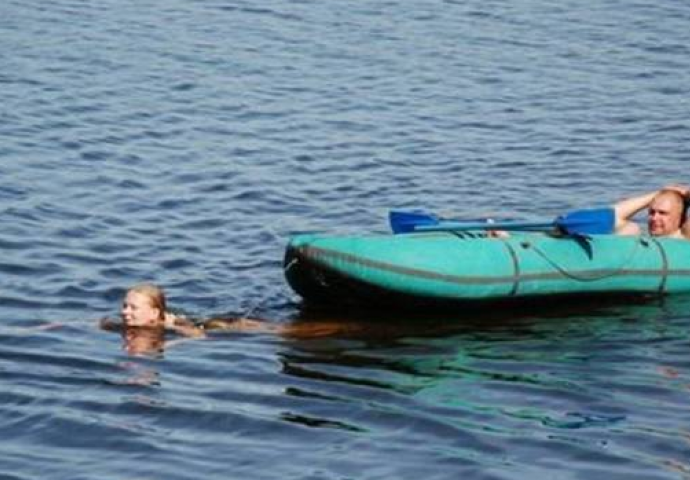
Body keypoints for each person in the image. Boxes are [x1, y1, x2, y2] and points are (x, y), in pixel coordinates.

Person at [614, 185, 690, 238]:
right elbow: (610, 216)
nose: (654, 218)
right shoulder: (644, 242)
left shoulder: (685, 238)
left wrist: (687, 194)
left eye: (662, 213)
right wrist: (658, 194)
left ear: (680, 218)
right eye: (652, 212)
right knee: (629, 228)